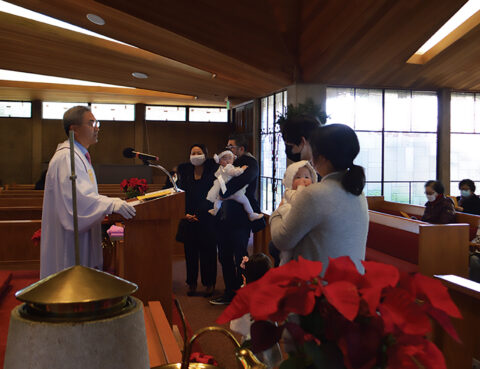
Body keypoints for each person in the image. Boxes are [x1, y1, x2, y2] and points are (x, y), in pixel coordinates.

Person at [41, 106, 136, 278]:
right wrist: (111, 203)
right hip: (70, 242)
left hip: (80, 235)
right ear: (74, 129)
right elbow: (77, 200)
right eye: (91, 123)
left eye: (97, 123)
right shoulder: (67, 158)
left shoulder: (78, 156)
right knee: (71, 282)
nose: (97, 127)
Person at [270, 124, 369, 273]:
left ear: (321, 158)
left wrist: (279, 211)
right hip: (350, 284)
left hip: (320, 288)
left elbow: (282, 240)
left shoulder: (314, 194)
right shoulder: (357, 192)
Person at [210, 133, 264, 305]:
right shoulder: (228, 162)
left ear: (241, 149)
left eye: (231, 147)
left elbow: (235, 185)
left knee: (240, 257)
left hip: (240, 218)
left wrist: (222, 191)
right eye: (227, 147)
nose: (228, 150)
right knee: (224, 257)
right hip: (223, 217)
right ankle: (229, 293)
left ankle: (242, 294)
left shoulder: (250, 163)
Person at [176, 144, 218, 297]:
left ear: (205, 155)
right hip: (189, 219)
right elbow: (180, 194)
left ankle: (209, 284)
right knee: (190, 253)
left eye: (198, 152)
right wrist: (185, 213)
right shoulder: (185, 173)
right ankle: (192, 283)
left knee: (208, 253)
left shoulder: (212, 172)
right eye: (192, 152)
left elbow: (214, 196)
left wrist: (201, 213)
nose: (195, 155)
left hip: (207, 218)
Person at [230, 253, 282, 368]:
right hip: (268, 337)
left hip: (251, 341)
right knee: (270, 361)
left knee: (253, 363)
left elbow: (235, 325)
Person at [272, 160, 317, 266]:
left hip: (303, 233)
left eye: (307, 177)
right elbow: (299, 202)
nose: (303, 180)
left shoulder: (313, 194)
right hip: (289, 225)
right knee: (286, 255)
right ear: (289, 181)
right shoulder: (289, 192)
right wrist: (301, 188)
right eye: (298, 177)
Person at [207, 149, 263, 221]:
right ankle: (251, 214)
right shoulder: (228, 167)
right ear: (220, 161)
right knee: (245, 201)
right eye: (225, 159)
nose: (227, 161)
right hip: (234, 192)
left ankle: (215, 210)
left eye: (229, 158)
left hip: (224, 190)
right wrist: (242, 169)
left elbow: (217, 175)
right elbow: (234, 172)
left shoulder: (220, 168)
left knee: (218, 199)